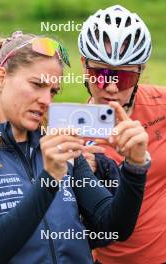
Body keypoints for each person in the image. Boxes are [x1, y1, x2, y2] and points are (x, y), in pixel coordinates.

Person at [0, 31, 150, 264]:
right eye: (37, 84)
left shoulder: (60, 147)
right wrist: (49, 180)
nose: (47, 100)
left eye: (53, 91)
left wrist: (135, 167)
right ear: (1, 78)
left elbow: (112, 226)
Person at [78, 4, 166, 264]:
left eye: (124, 77)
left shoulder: (161, 104)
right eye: (101, 74)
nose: (113, 88)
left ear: (141, 71)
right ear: (84, 65)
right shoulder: (72, 130)